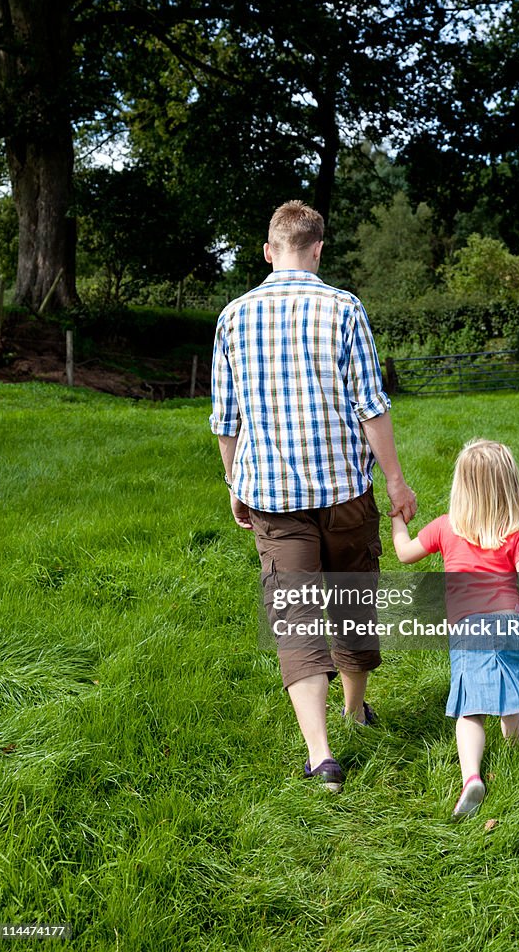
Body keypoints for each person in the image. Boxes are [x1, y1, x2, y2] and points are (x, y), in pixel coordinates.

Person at [210, 200, 416, 792]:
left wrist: (234, 482)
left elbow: (227, 418)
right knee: (352, 596)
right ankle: (354, 709)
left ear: (270, 250)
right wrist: (396, 481)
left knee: (293, 613)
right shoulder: (344, 307)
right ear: (319, 249)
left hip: (272, 495)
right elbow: (370, 406)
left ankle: (322, 754)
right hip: (345, 490)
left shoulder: (234, 316)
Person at [391, 438, 519, 817]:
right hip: (509, 624)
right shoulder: (516, 532)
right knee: (514, 698)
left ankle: (472, 777)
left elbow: (405, 554)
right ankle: (518, 759)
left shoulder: (445, 527)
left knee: (470, 707)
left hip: (467, 626)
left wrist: (397, 523)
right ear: (510, 486)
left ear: (461, 486)